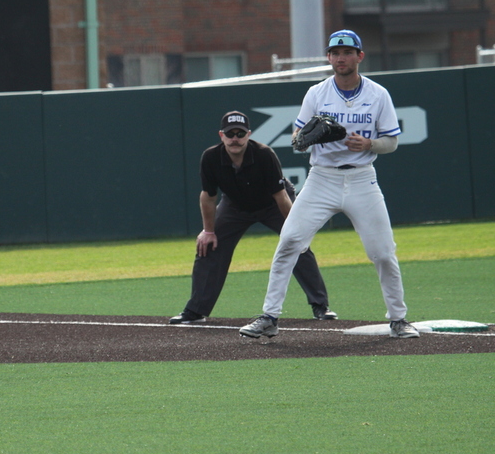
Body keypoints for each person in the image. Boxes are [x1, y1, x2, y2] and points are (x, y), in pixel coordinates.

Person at [239, 30, 419, 339]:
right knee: (289, 242)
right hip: (321, 178)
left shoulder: (378, 94)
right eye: (335, 53)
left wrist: (370, 144)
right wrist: (304, 139)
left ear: (359, 56)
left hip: (362, 179)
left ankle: (399, 319)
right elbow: (297, 138)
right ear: (329, 58)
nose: (341, 58)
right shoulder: (317, 93)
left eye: (347, 52)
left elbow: (392, 142)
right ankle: (269, 317)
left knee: (383, 252)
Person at [170, 110, 337, 325]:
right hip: (235, 206)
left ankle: (320, 306)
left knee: (297, 244)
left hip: (273, 203)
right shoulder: (211, 157)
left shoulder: (264, 154)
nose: (235, 139)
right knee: (209, 246)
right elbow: (208, 197)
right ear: (222, 136)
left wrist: (295, 230)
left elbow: (281, 196)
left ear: (249, 134)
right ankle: (195, 311)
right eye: (230, 134)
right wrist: (208, 231)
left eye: (240, 134)